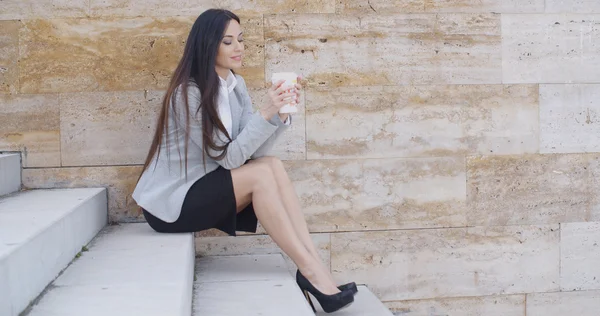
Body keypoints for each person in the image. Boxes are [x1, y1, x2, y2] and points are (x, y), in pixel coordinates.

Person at [132, 8, 356, 313]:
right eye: (228, 42)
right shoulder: (188, 95)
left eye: (241, 39)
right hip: (172, 203)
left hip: (204, 186)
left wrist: (280, 117)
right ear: (207, 45)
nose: (239, 47)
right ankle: (310, 272)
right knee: (261, 175)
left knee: (271, 165)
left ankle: (317, 268)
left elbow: (254, 154)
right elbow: (229, 160)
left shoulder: (235, 87)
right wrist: (265, 113)